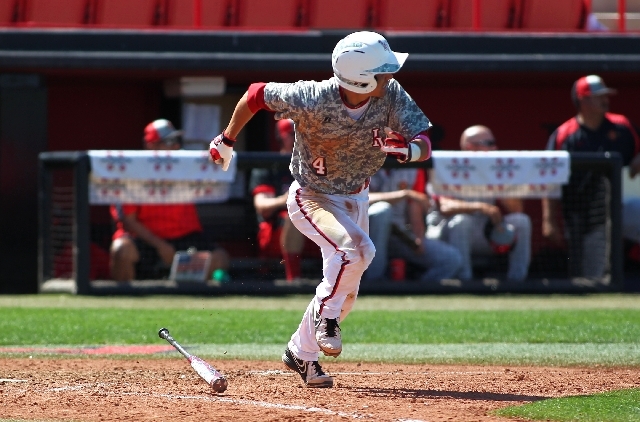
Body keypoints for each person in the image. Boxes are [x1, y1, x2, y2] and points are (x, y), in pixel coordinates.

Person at [208, 31, 433, 388]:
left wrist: (408, 151)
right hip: (312, 195)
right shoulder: (313, 96)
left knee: (345, 290)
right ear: (360, 78)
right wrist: (227, 139)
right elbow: (255, 94)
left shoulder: (390, 93)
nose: (390, 76)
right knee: (357, 251)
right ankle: (325, 321)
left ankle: (301, 353)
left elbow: (424, 141)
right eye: (382, 71)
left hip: (357, 196)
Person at [542, 75, 640, 279]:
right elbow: (550, 180)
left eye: (606, 95)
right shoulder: (565, 135)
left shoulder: (622, 126)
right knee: (591, 277)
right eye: (599, 96)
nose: (606, 100)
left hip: (622, 206)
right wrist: (549, 219)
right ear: (583, 100)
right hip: (583, 213)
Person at [109, 119, 230, 282]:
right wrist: (160, 246)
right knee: (121, 250)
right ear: (151, 146)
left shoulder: (185, 165)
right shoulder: (132, 171)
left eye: (176, 141)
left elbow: (213, 169)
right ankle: (125, 297)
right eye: (168, 142)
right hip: (145, 239)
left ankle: (190, 296)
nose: (175, 146)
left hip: (184, 237)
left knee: (220, 258)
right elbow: (128, 220)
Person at [426, 125, 532, 282]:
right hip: (446, 236)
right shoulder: (448, 167)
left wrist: (500, 182)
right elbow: (444, 206)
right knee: (462, 221)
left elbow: (517, 209)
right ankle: (464, 281)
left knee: (522, 221)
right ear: (470, 147)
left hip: (481, 234)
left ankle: (517, 281)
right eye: (489, 144)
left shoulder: (493, 170)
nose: (494, 148)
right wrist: (482, 207)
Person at [249, 118, 319, 282]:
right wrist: (286, 199)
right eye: (293, 134)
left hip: (315, 226)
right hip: (277, 229)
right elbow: (261, 205)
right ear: (281, 137)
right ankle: (293, 278)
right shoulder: (269, 165)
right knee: (295, 213)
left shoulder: (314, 166)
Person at [364, 167, 462, 282]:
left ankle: (417, 289)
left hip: (399, 235)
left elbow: (414, 207)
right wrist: (405, 194)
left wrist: (418, 238)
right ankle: (374, 282)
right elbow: (356, 198)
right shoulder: (359, 161)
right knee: (382, 210)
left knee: (451, 259)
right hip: (364, 236)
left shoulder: (412, 168)